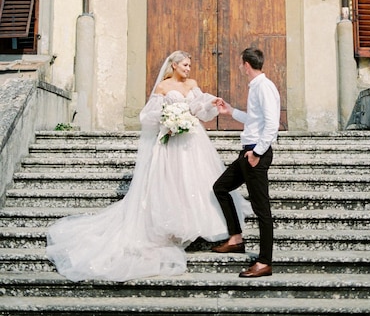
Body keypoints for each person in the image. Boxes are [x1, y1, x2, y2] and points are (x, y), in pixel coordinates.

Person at [46, 50, 250, 281]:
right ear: (173, 65)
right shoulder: (163, 88)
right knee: (173, 183)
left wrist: (210, 103)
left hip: (193, 141)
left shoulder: (192, 84)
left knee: (198, 181)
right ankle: (174, 227)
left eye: (189, 65)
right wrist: (169, 119)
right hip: (172, 142)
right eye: (184, 65)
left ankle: (204, 226)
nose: (188, 69)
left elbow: (199, 111)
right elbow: (148, 116)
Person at [212, 47, 280, 278]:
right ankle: (236, 239)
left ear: (246, 65)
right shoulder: (257, 87)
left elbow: (272, 123)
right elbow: (255, 119)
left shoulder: (264, 87)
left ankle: (264, 262)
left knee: (262, 209)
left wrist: (257, 152)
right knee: (220, 188)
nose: (241, 67)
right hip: (248, 152)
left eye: (241, 64)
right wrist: (230, 111)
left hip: (255, 154)